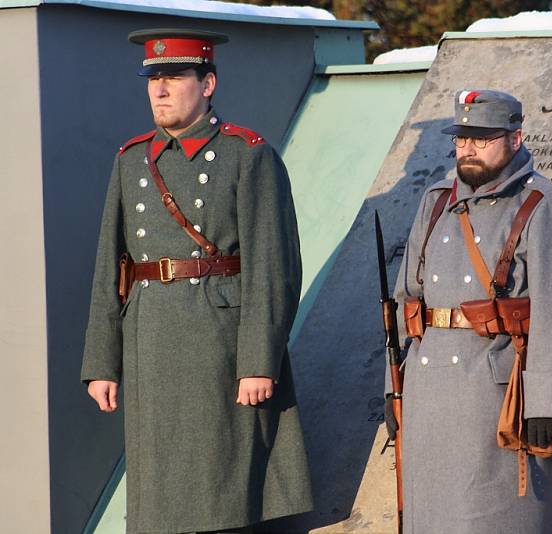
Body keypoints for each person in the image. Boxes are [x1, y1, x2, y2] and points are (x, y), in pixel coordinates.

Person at [81, 29, 312, 533]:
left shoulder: (248, 155)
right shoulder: (130, 160)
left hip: (220, 345)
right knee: (157, 497)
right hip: (151, 343)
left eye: (174, 77)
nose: (159, 90)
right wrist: (102, 361)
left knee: (222, 492)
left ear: (207, 83)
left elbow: (274, 266)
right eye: (153, 79)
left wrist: (258, 361)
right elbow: (110, 267)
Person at [385, 89, 552, 533]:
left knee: (491, 516)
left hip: (495, 393)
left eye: (481, 139)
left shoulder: (545, 204)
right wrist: (393, 388)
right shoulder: (434, 201)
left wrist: (549, 403)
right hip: (428, 391)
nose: (468, 149)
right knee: (430, 516)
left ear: (515, 138)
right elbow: (407, 302)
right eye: (461, 139)